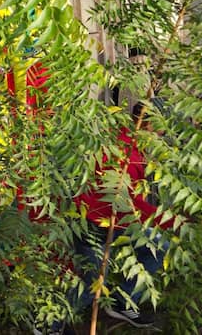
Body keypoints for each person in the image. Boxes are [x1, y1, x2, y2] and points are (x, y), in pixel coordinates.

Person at [67, 105, 168, 329]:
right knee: (90, 284)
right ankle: (49, 325)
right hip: (95, 223)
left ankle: (123, 301)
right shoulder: (127, 154)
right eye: (160, 129)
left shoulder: (123, 140)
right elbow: (127, 204)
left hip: (109, 220)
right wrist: (169, 220)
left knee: (158, 244)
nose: (162, 136)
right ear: (148, 125)